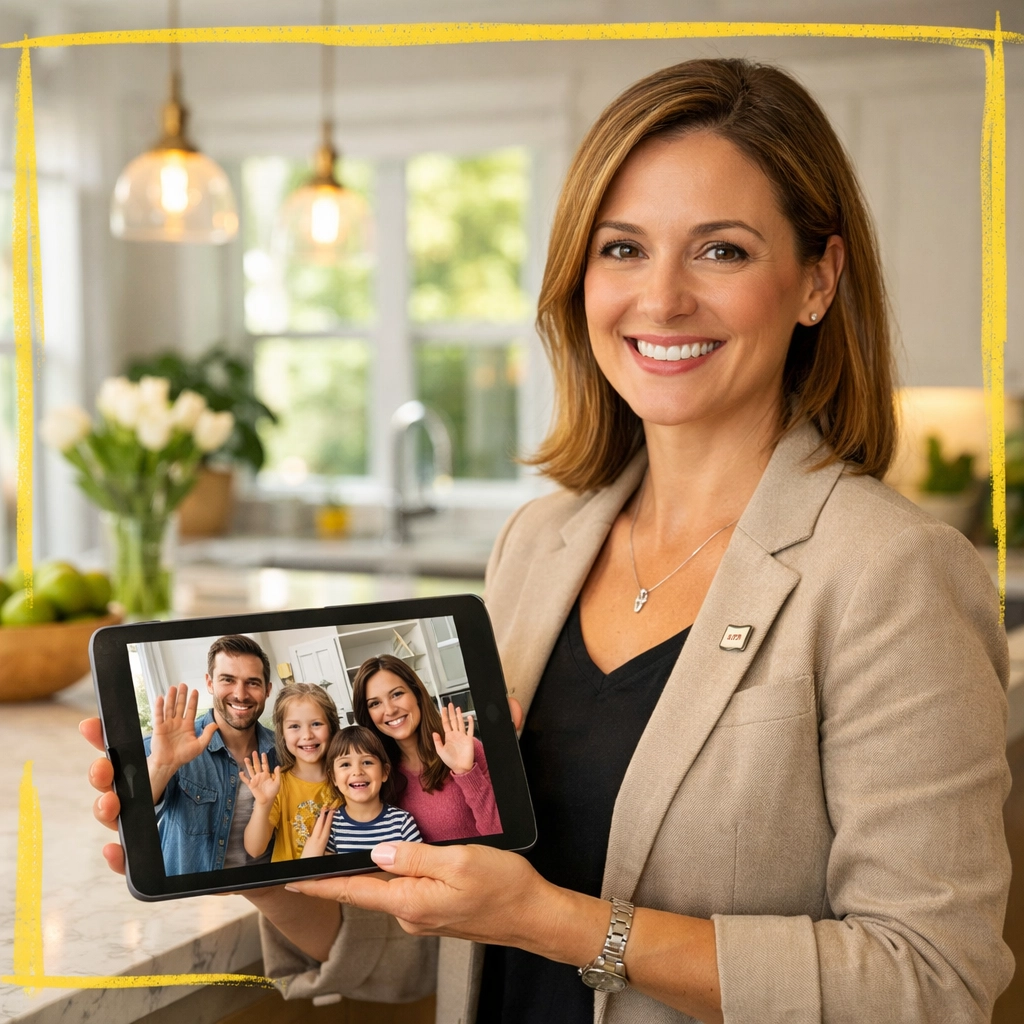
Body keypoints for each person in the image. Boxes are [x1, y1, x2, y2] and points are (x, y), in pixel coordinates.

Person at [84, 57, 1014, 1023]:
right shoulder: (539, 545)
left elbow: (930, 981)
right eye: (623, 249)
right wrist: (258, 871)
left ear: (817, 279)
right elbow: (457, 937)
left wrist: (565, 926)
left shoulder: (891, 572)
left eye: (722, 251)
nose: (661, 299)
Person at [141, 633, 277, 875]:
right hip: (197, 894)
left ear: (267, 690)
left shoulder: (283, 750)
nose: (240, 694)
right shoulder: (170, 746)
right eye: (228, 680)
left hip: (265, 889)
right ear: (210, 683)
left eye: (253, 683)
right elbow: (135, 819)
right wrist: (162, 767)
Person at [350, 655, 502, 842]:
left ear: (417, 694)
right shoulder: (379, 773)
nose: (389, 710)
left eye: (396, 694)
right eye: (375, 703)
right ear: (367, 715)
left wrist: (465, 772)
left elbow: (504, 835)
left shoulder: (465, 750)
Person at [241, 682, 339, 862]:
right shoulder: (277, 785)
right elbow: (254, 849)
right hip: (293, 881)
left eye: (316, 724)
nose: (307, 735)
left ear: (331, 727)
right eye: (294, 726)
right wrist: (263, 804)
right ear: (282, 733)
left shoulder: (349, 779)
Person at [300, 725, 423, 856]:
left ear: (384, 772)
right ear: (333, 777)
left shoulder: (402, 822)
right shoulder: (329, 826)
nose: (357, 772)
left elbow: (419, 864)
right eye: (345, 764)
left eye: (367, 762)